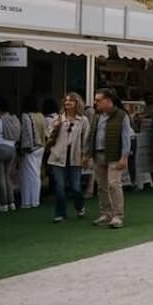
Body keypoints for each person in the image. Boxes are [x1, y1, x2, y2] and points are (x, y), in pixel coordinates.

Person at [85, 89, 132, 229]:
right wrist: (86, 154)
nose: (95, 102)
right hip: (98, 154)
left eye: (99, 100)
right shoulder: (97, 116)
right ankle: (106, 213)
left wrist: (124, 157)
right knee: (101, 186)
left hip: (115, 155)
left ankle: (118, 215)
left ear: (108, 100)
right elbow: (90, 135)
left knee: (114, 184)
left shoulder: (121, 115)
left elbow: (126, 138)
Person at [47, 92, 90, 222]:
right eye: (66, 101)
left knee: (76, 187)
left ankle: (80, 205)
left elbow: (86, 139)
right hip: (58, 155)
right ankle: (60, 213)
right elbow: (48, 135)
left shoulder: (83, 120)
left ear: (77, 103)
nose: (68, 103)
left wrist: (85, 155)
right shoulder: (58, 118)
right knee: (60, 187)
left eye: (71, 101)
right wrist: (55, 127)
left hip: (75, 156)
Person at [0, 98, 21, 213]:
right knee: (7, 176)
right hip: (12, 149)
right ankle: (11, 202)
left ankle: (3, 203)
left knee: (0, 177)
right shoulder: (14, 120)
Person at [17, 96, 46, 209]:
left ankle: (27, 201)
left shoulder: (26, 116)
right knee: (36, 174)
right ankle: (35, 200)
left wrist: (24, 147)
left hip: (31, 148)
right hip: (41, 147)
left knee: (27, 175)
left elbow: (27, 132)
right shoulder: (41, 115)